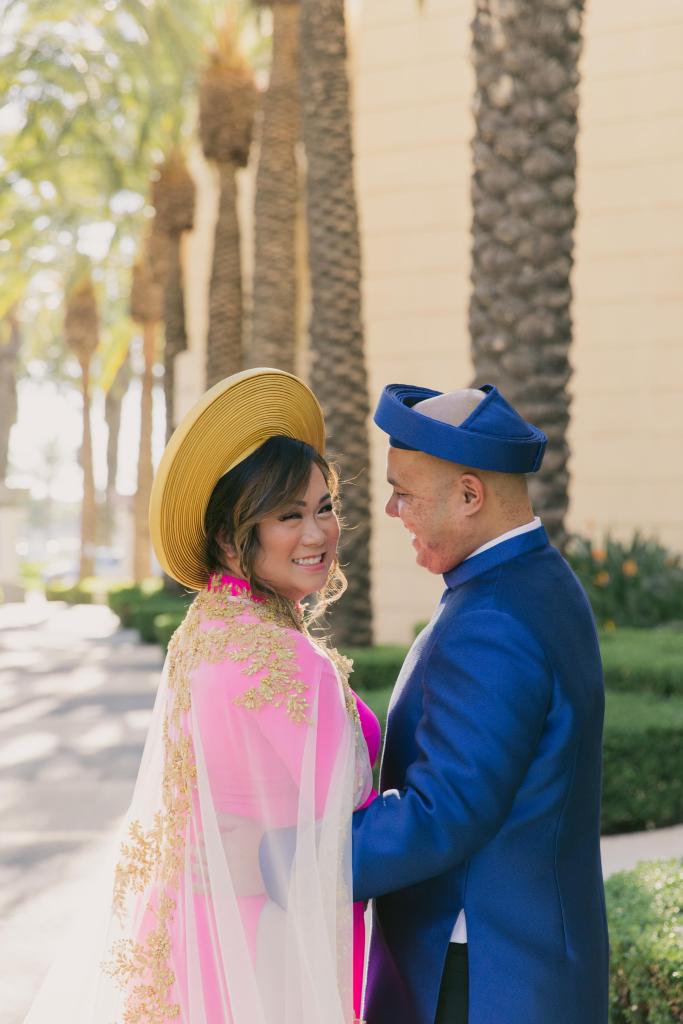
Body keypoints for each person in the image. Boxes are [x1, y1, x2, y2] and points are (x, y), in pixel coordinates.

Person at [24, 368, 379, 1024]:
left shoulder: (207, 624)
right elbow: (347, 808)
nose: (317, 534)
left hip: (201, 935)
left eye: (323, 507)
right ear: (228, 536)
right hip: (267, 948)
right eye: (288, 516)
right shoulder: (284, 658)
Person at [351, 383, 609, 1024]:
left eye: (404, 492)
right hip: (528, 968)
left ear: (471, 495)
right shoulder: (539, 578)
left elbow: (443, 813)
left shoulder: (491, 618)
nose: (390, 509)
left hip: (483, 979)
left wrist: (288, 859)